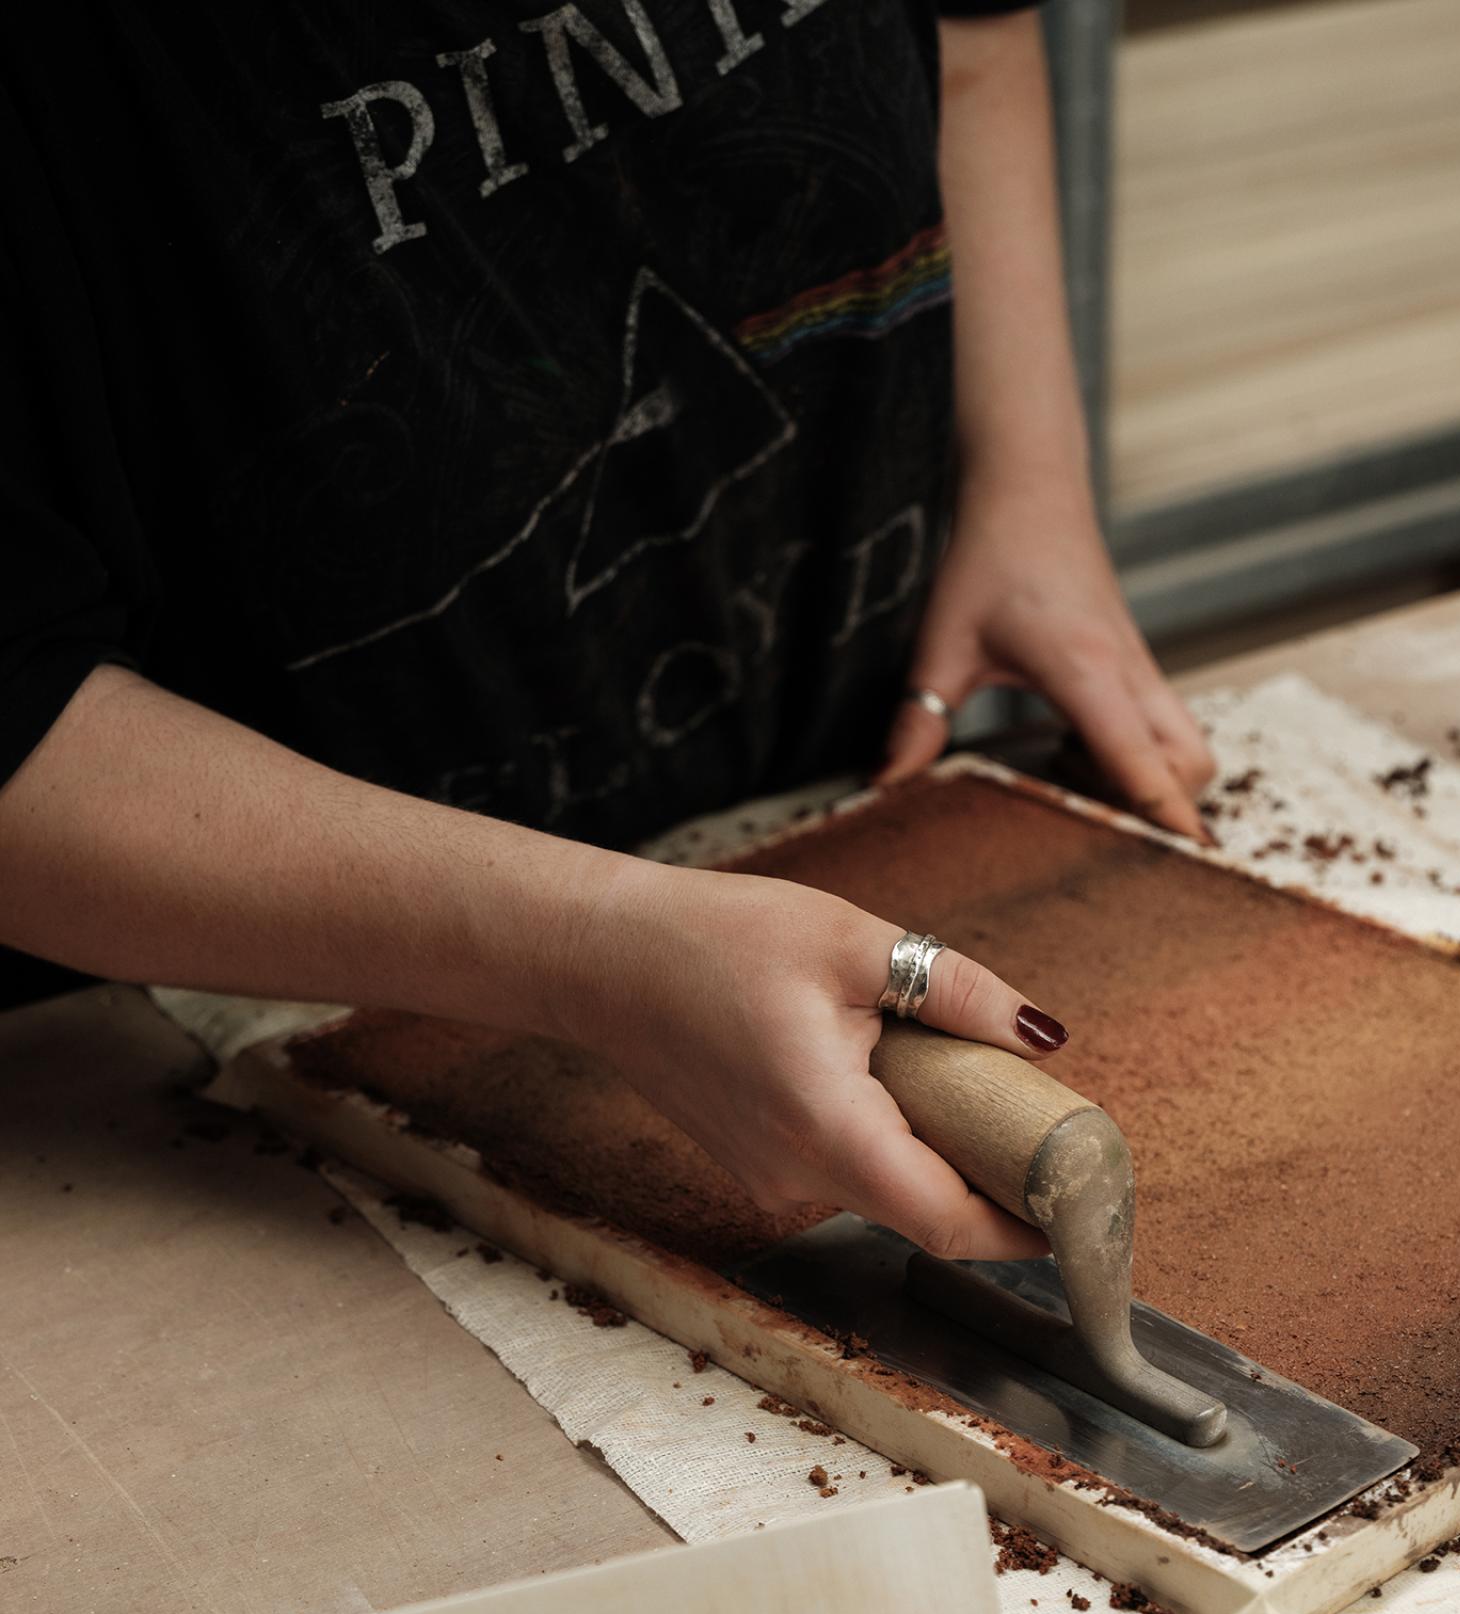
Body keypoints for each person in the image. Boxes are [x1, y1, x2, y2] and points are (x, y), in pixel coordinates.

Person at [0, 3, 1212, 1260]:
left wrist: (1030, 490)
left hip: (829, 780)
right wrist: (592, 948)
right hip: (245, 1008)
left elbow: (976, 32)